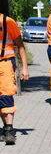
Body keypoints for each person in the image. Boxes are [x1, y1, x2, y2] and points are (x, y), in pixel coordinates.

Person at [0, 12, 29, 145]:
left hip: (5, 64)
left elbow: (20, 46)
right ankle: (5, 128)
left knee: (6, 95)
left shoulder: (7, 22)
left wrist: (24, 68)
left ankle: (9, 130)